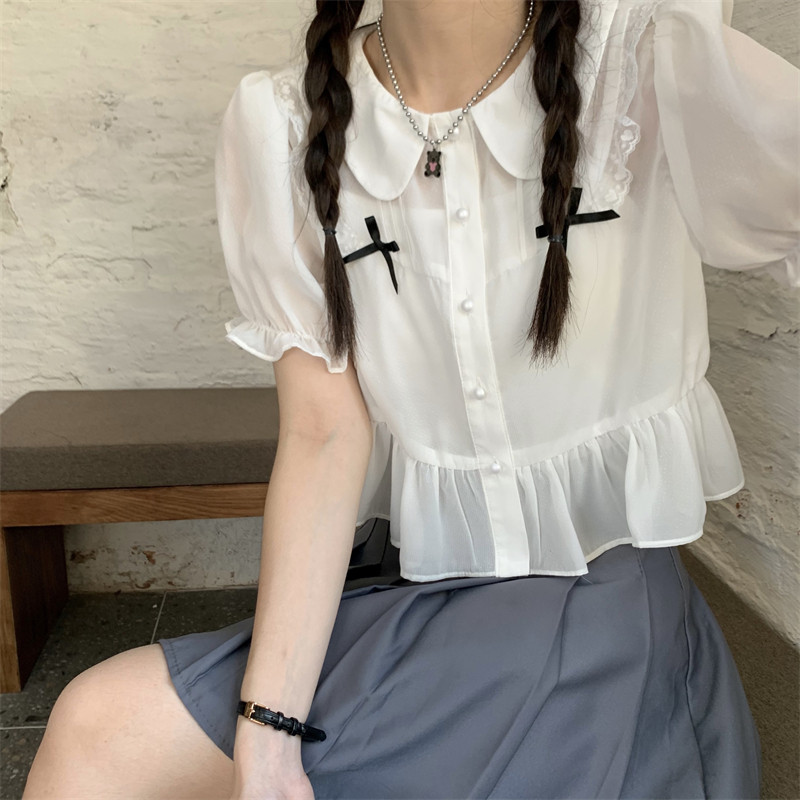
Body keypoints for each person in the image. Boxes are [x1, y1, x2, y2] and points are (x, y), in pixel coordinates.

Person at [23, 0, 798, 798]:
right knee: (96, 729)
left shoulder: (641, 54)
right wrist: (268, 736)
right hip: (413, 586)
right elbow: (324, 434)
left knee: (102, 733)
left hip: (602, 610)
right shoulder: (284, 122)